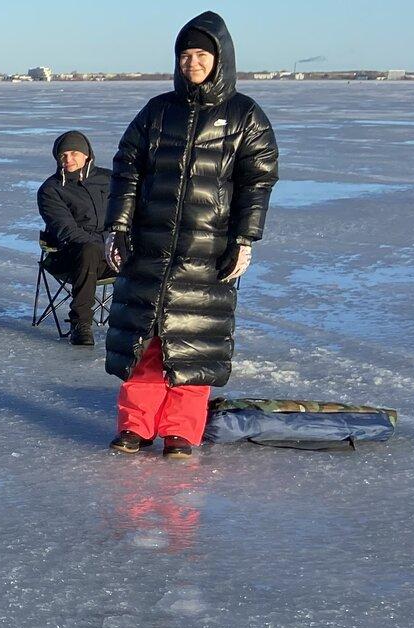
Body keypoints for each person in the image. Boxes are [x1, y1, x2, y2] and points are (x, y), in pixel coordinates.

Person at [104, 11, 279, 459]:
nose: (192, 62)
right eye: (186, 54)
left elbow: (257, 181)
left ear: (220, 59)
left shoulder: (244, 115)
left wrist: (245, 239)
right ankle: (135, 427)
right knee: (148, 342)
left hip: (208, 249)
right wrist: (118, 226)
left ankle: (180, 432)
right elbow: (127, 168)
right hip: (151, 246)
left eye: (201, 54)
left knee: (195, 343)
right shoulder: (157, 111)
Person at [36, 130, 114, 346]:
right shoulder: (50, 190)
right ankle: (81, 325)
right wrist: (106, 246)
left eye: (73, 153)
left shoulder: (109, 180)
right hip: (69, 257)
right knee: (88, 249)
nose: (68, 159)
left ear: (87, 155)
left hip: (113, 254)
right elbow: (67, 231)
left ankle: (147, 323)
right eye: (63, 155)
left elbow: (128, 216)